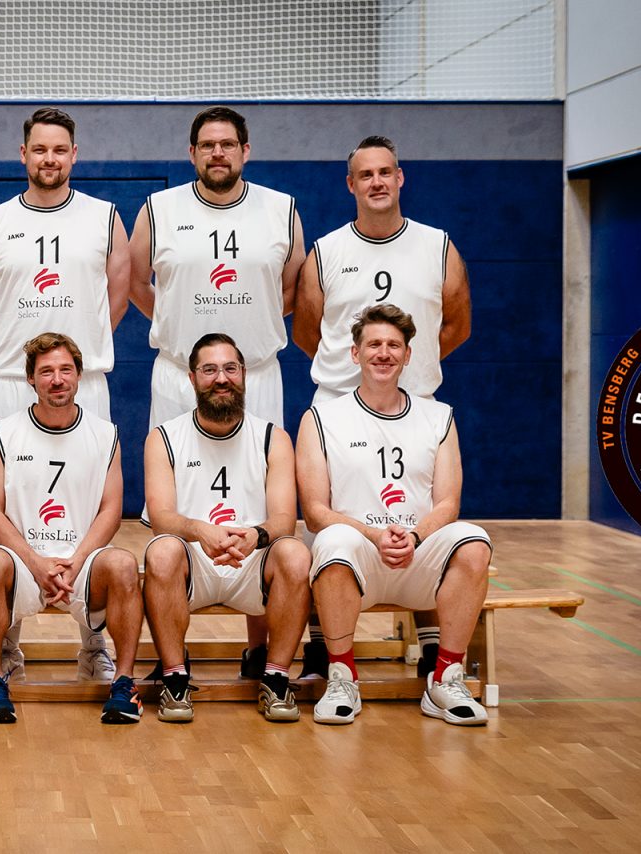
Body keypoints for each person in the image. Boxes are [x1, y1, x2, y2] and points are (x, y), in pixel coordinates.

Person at [128, 106, 305, 675]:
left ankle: (261, 650)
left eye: (228, 144)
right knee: (174, 516)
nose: (218, 153)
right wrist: (184, 335)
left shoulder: (281, 209)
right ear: (192, 153)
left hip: (255, 371)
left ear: (246, 151)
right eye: (207, 145)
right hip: (180, 372)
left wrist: (237, 343)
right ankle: (171, 658)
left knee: (261, 512)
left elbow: (290, 288)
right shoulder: (158, 209)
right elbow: (135, 282)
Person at [294, 134, 474, 680]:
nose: (377, 181)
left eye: (385, 172)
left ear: (401, 178)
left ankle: (433, 643)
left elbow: (457, 323)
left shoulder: (438, 246)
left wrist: (404, 372)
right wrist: (356, 375)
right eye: (365, 174)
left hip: (414, 405)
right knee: (329, 528)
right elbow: (307, 330)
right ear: (351, 184)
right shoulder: (326, 251)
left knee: (419, 519)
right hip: (339, 404)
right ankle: (324, 647)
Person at [0, 108, 129, 675]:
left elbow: (116, 297)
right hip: (12, 383)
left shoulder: (105, 217)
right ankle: (7, 646)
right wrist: (24, 359)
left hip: (84, 381)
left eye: (60, 149)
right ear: (23, 154)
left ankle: (94, 646)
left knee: (87, 509)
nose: (49, 158)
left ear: (74, 155)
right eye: (39, 149)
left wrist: (72, 357)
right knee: (11, 512)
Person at [296, 304, 493, 727]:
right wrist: (374, 535)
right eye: (374, 345)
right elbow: (314, 512)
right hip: (358, 558)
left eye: (393, 345)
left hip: (417, 556)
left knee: (474, 541)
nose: (383, 353)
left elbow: (448, 503)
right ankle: (342, 677)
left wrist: (415, 536)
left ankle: (445, 678)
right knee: (331, 540)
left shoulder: (438, 416)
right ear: (355, 353)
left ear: (407, 355)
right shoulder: (321, 418)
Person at [0, 333, 143, 725]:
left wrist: (76, 561)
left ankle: (123, 683)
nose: (57, 379)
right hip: (24, 563)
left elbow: (111, 510)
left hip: (81, 564)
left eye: (66, 370)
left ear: (79, 375)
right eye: (46, 371)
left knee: (123, 564)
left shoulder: (105, 434)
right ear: (30, 379)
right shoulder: (4, 433)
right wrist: (35, 562)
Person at [141, 333, 310, 723]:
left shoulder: (273, 438)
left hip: (251, 561)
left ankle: (276, 678)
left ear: (244, 374)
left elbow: (285, 519)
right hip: (194, 562)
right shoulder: (164, 438)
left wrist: (254, 536)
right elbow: (160, 517)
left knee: (295, 553)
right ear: (192, 378)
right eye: (210, 370)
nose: (221, 378)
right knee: (161, 550)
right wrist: (201, 531)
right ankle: (175, 679)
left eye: (230, 368)